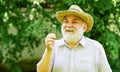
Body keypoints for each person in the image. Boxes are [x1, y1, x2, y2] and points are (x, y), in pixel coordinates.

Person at [37, 5, 112, 72]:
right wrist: (49, 50)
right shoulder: (53, 46)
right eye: (66, 21)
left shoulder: (95, 47)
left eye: (74, 22)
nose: (69, 25)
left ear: (84, 27)